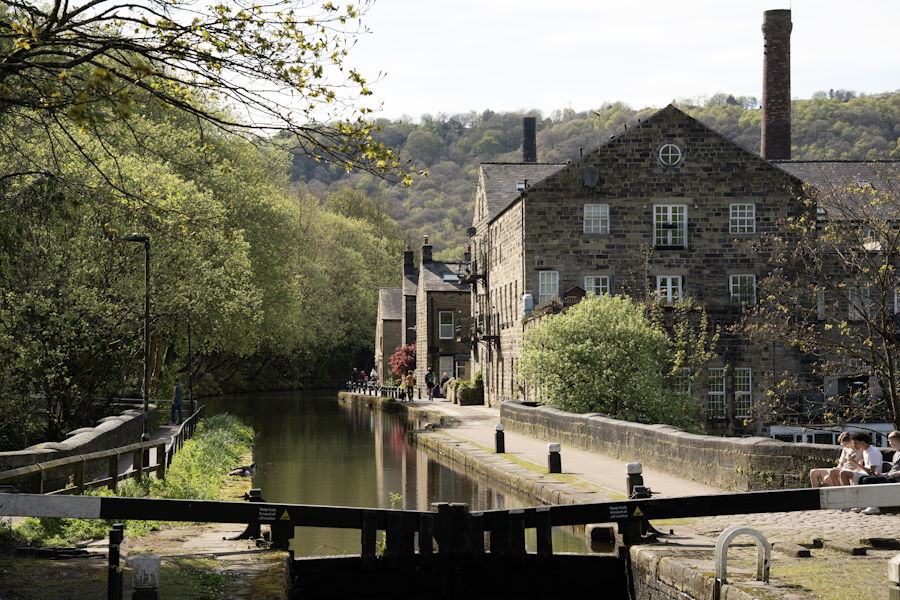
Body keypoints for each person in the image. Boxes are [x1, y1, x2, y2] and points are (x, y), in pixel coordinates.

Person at [857, 430, 900, 515]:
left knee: (867, 480)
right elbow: (892, 470)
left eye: (890, 441)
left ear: (895, 441)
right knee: (862, 479)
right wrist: (882, 474)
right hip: (890, 477)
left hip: (896, 479)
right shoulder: (896, 453)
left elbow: (895, 471)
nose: (889, 443)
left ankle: (874, 506)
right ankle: (867, 504)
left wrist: (898, 473)